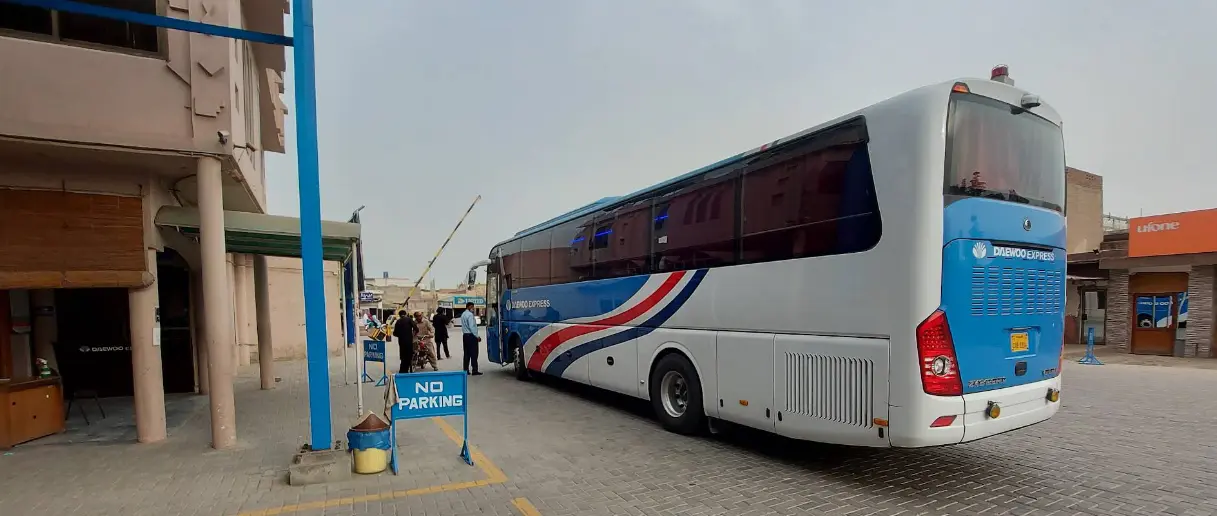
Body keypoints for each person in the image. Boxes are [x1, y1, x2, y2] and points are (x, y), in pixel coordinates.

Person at [460, 302, 482, 375]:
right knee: (474, 354)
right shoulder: (470, 315)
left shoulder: (463, 314)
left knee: (466, 353)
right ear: (469, 306)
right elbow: (472, 326)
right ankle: (474, 370)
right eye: (472, 307)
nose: (473, 308)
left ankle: (466, 370)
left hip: (465, 336)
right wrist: (477, 336)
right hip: (471, 336)